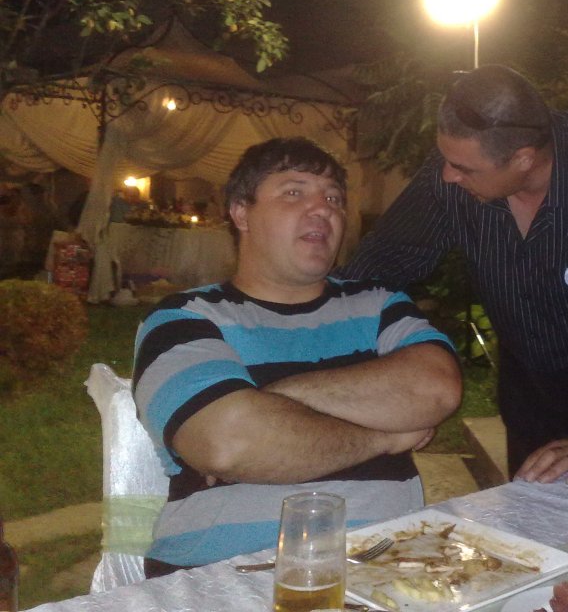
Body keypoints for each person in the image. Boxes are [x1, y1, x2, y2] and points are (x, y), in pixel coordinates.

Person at [132, 137, 462, 576]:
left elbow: (436, 390)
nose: (322, 208)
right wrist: (387, 437)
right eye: (294, 192)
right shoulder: (184, 316)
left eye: (333, 198)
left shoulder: (379, 303)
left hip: (382, 565)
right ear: (241, 212)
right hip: (224, 574)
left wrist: (270, 399)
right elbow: (229, 442)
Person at [342, 65, 568, 484]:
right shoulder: (456, 166)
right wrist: (318, 321)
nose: (448, 176)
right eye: (446, 161)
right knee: (530, 508)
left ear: (523, 158)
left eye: (463, 169)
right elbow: (386, 258)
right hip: (525, 377)